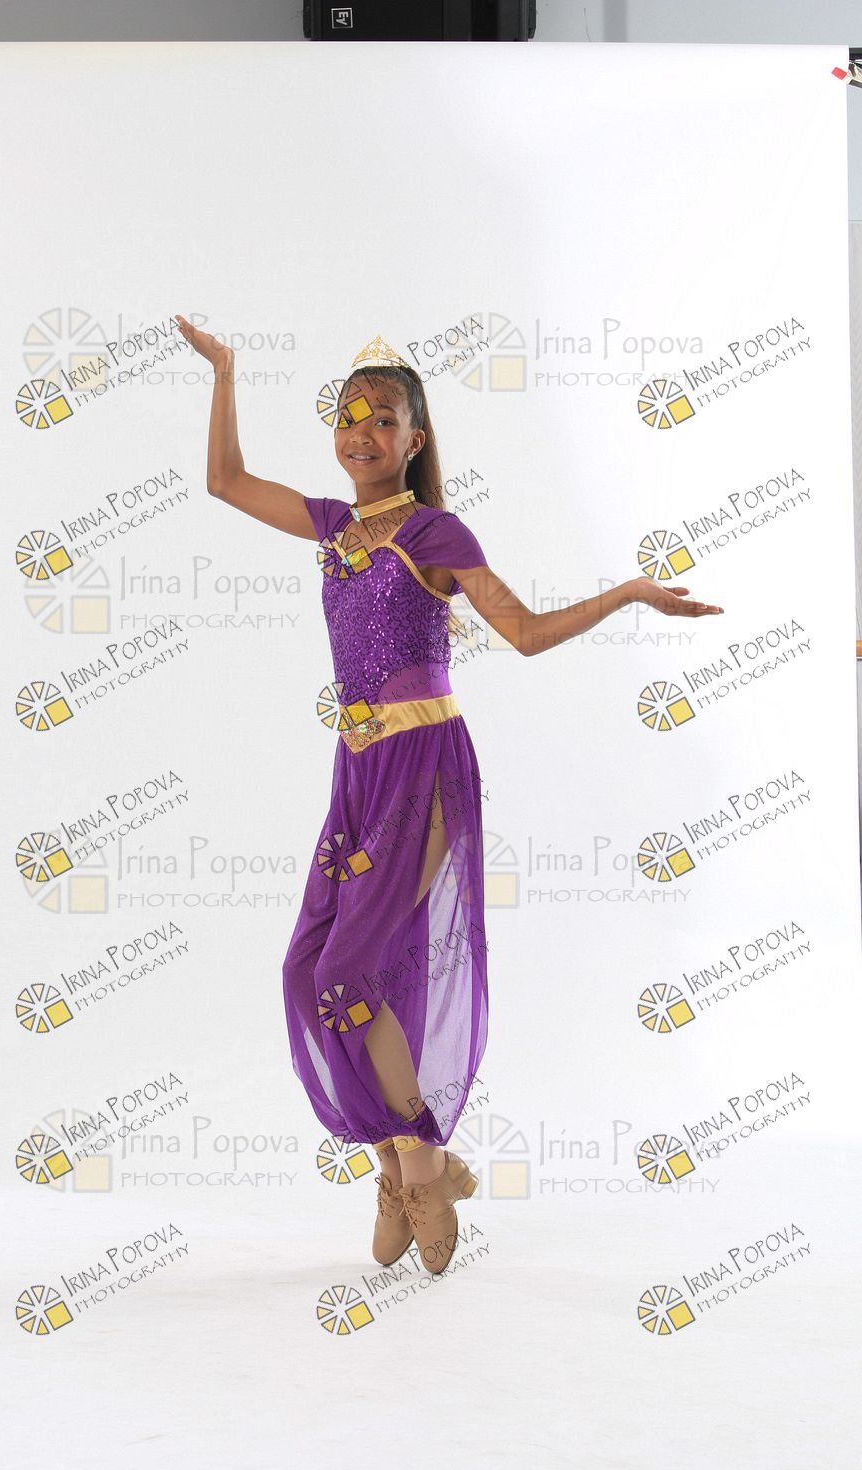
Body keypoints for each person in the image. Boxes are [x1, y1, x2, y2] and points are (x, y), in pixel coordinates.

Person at [175, 317, 723, 1277]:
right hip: (356, 771)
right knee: (310, 973)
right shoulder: (334, 527)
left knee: (350, 971)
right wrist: (225, 372)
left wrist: (630, 593)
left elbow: (526, 633)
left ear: (414, 439)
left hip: (423, 768)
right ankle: (403, 1162)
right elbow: (225, 481)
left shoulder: (436, 533)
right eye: (348, 416)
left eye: (382, 420)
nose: (361, 433)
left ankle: (419, 1167)